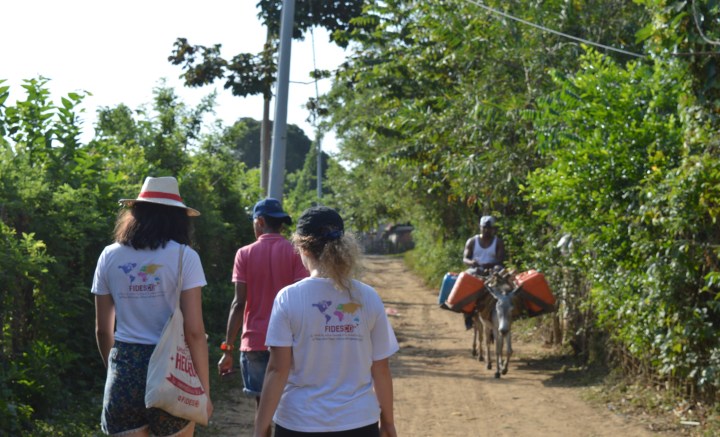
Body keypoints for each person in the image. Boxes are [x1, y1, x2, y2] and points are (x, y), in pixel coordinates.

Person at [253, 206, 399, 437]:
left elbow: (277, 370)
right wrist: (388, 422)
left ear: (302, 247)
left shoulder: (288, 298)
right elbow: (380, 369)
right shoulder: (368, 296)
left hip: (298, 423)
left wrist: (260, 428)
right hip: (359, 423)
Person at [92, 176, 213, 436]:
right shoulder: (185, 257)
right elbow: (194, 331)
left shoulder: (109, 256)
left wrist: (117, 372)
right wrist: (203, 389)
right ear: (178, 218)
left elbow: (103, 330)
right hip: (173, 372)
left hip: (125, 368)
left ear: (135, 212)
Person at [217, 198, 308, 426]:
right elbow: (302, 299)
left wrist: (227, 348)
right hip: (290, 342)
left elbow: (239, 304)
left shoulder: (244, 254)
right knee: (291, 406)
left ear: (259, 221)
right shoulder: (296, 253)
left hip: (255, 342)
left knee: (263, 408)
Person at [461, 215, 506, 330]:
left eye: (489, 228)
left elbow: (500, 259)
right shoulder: (472, 241)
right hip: (476, 269)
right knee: (465, 279)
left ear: (493, 229)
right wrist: (472, 262)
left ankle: (507, 311)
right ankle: (467, 314)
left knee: (505, 280)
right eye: (484, 228)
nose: (486, 230)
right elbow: (465, 258)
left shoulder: (498, 242)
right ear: (480, 228)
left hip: (493, 269)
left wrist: (490, 265)